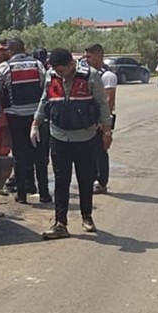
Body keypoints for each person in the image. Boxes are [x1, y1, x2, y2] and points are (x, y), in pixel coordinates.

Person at [32, 48, 111, 239]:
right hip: (58, 136)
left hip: (85, 137)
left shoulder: (90, 76)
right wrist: (35, 123)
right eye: (56, 70)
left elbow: (102, 104)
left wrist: (107, 131)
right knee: (61, 180)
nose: (59, 74)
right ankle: (60, 223)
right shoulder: (52, 76)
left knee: (85, 178)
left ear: (71, 64)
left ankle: (87, 216)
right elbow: (45, 100)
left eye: (62, 70)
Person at [0, 38, 49, 205]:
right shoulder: (37, 65)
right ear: (25, 49)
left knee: (19, 156)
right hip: (36, 118)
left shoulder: (5, 67)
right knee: (40, 157)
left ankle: (22, 195)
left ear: (10, 51)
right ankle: (44, 193)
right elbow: (46, 88)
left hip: (15, 118)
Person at [84, 44, 117, 194]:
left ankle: (101, 182)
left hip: (102, 121)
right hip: (90, 120)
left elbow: (109, 100)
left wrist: (104, 124)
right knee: (90, 151)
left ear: (98, 56)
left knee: (100, 152)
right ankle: (90, 179)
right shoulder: (90, 73)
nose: (86, 59)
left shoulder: (107, 76)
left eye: (89, 56)